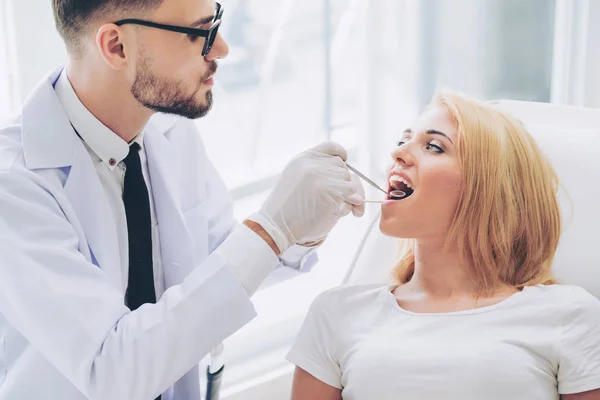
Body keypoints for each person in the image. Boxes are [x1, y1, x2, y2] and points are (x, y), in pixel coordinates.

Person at [0, 0, 365, 399]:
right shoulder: (15, 187)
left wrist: (301, 229)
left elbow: (215, 267)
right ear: (116, 46)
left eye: (217, 23)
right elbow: (113, 372)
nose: (222, 48)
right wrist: (271, 228)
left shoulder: (167, 129)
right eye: (198, 33)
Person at [286, 91, 600, 400]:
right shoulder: (337, 313)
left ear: (488, 189)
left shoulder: (569, 315)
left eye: (434, 147)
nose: (399, 153)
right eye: (402, 140)